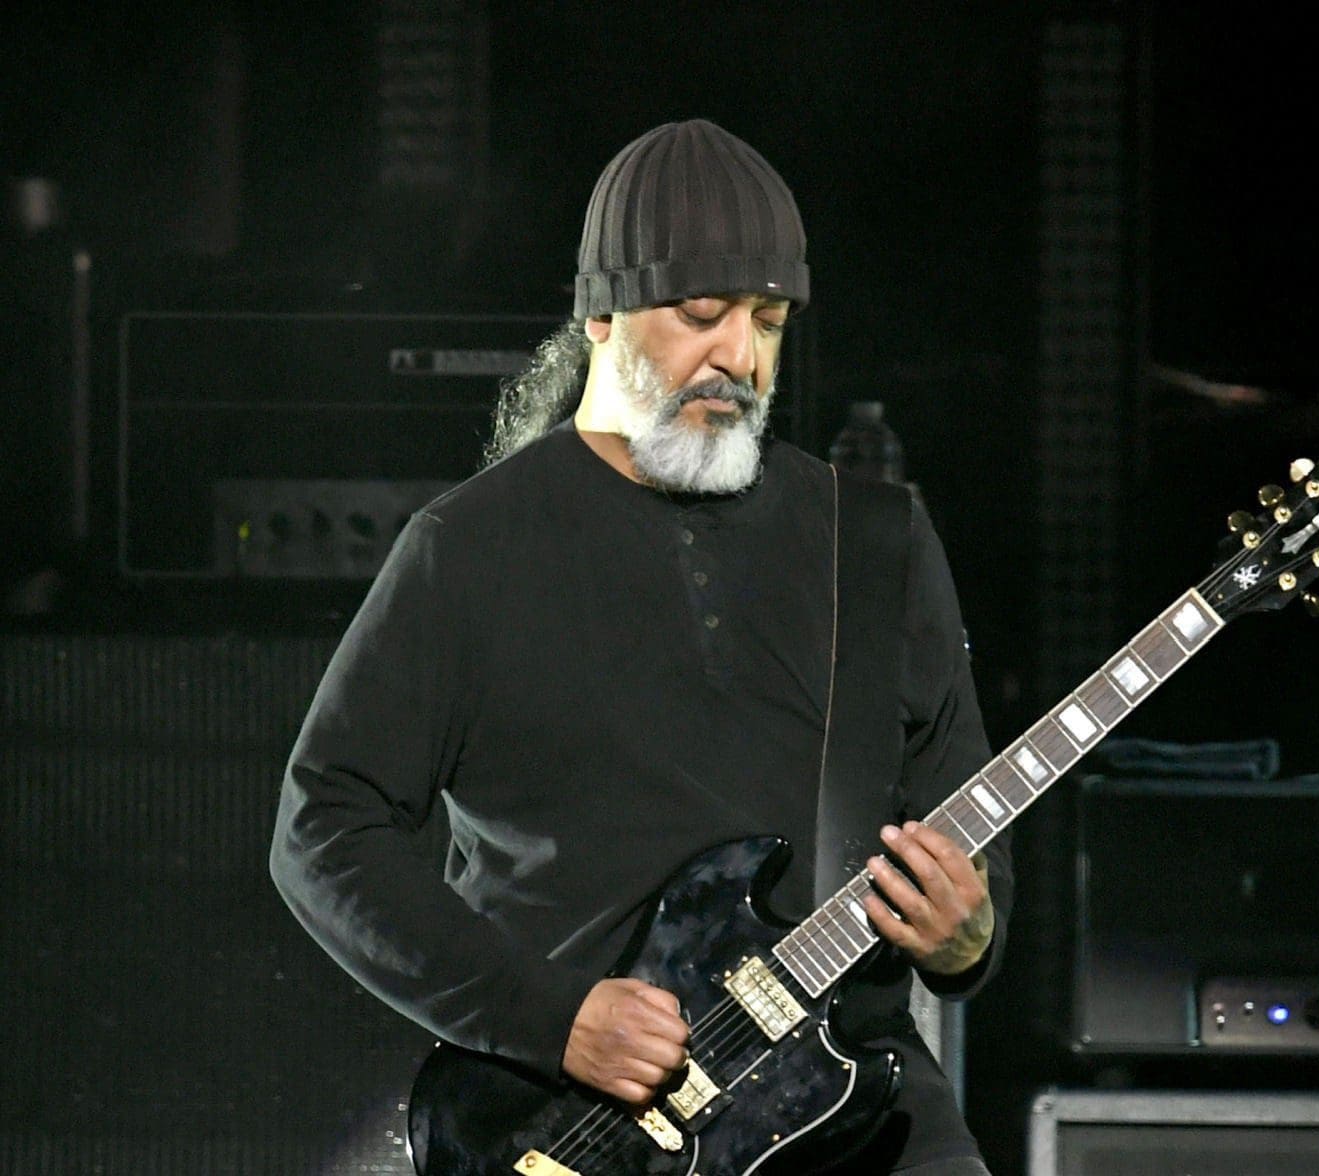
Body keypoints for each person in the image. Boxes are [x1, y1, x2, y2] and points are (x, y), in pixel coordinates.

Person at [270, 117, 1013, 1175]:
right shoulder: (468, 548)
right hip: (582, 1120)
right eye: (701, 314)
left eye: (767, 321)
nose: (739, 357)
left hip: (855, 1094)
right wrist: (549, 1016)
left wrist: (970, 934)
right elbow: (323, 830)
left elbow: (963, 815)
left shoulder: (876, 540)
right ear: (602, 314)